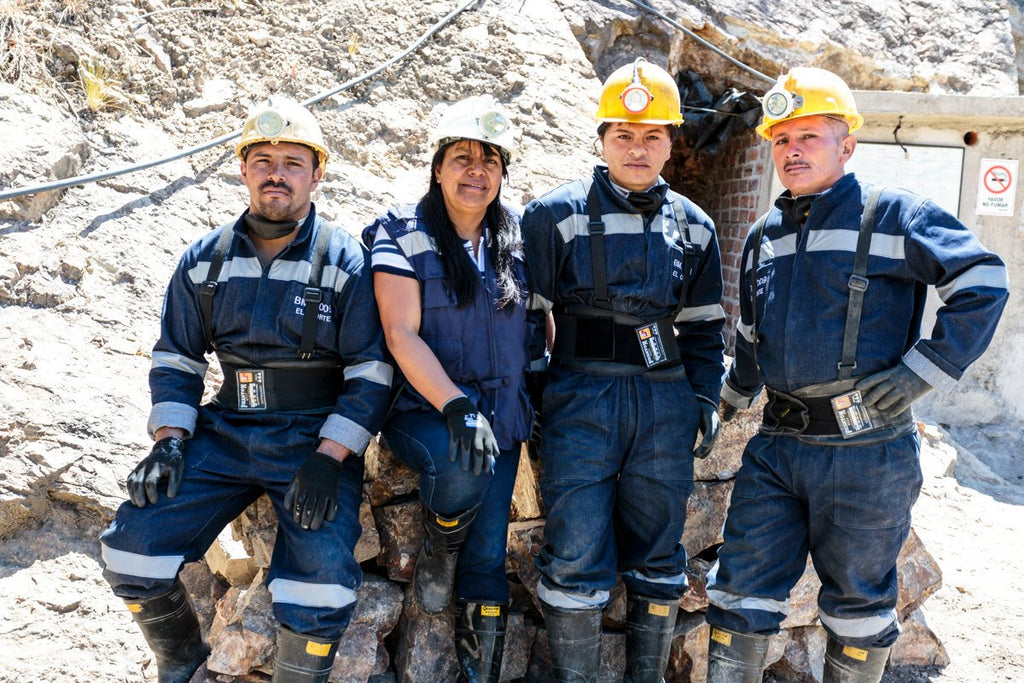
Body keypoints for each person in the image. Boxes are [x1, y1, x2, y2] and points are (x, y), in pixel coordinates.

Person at [705, 67, 1009, 682]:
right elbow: (750, 336)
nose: (792, 151)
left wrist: (921, 371)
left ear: (847, 145)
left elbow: (983, 283)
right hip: (778, 448)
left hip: (867, 452)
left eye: (809, 136)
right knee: (739, 595)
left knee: (859, 609)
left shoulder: (895, 215)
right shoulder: (764, 235)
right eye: (782, 139)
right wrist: (729, 401)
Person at [98, 96, 393, 683]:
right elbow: (177, 358)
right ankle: (182, 663)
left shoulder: (345, 261)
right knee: (128, 547)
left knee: (321, 587)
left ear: (316, 173)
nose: (276, 173)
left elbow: (371, 371)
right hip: (226, 429)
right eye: (262, 160)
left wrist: (330, 457)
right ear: (243, 170)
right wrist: (170, 441)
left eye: (291, 162)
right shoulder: (203, 260)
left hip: (310, 436)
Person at [521, 58, 727, 682]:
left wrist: (704, 398)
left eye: (653, 136)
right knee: (575, 549)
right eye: (624, 136)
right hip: (580, 398)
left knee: (660, 553)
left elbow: (703, 327)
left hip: (663, 403)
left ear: (672, 140)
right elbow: (528, 318)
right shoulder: (552, 215)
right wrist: (538, 397)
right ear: (602, 138)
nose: (638, 149)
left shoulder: (695, 225)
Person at [362, 95, 543, 682]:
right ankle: (441, 543)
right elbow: (400, 332)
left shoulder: (516, 240)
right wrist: (458, 407)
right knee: (460, 466)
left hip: (504, 413)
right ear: (437, 166)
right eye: (462, 157)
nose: (477, 170)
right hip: (426, 409)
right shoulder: (401, 232)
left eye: (491, 159)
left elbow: (543, 324)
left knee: (489, 560)